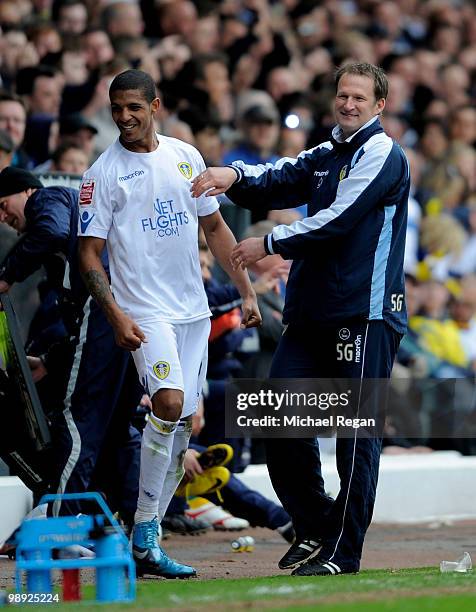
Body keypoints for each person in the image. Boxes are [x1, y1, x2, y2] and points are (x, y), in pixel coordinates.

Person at [191, 62, 410, 577]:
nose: (349, 104)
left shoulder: (383, 154)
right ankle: (314, 525)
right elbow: (281, 177)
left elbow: (339, 219)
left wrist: (267, 241)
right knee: (280, 421)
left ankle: (342, 552)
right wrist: (233, 176)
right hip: (312, 314)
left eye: (360, 98)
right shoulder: (328, 150)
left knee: (356, 436)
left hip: (365, 314)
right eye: (343, 96)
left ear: (380, 105)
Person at [77, 69, 261, 579]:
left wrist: (245, 291)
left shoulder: (185, 157)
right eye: (116, 109)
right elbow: (89, 253)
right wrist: (114, 312)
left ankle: (147, 534)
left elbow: (214, 227)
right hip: (145, 312)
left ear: (155, 106)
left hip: (192, 312)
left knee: (182, 425)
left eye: (134, 107)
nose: (124, 117)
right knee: (169, 402)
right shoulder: (101, 173)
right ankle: (145, 529)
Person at [0, 166, 141, 529]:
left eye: (3, 205)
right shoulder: (68, 222)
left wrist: (6, 275)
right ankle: (128, 523)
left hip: (107, 305)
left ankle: (60, 525)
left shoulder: (49, 199)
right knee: (119, 429)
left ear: (27, 192)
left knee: (78, 420)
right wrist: (50, 359)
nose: (4, 217)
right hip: (127, 310)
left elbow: (51, 229)